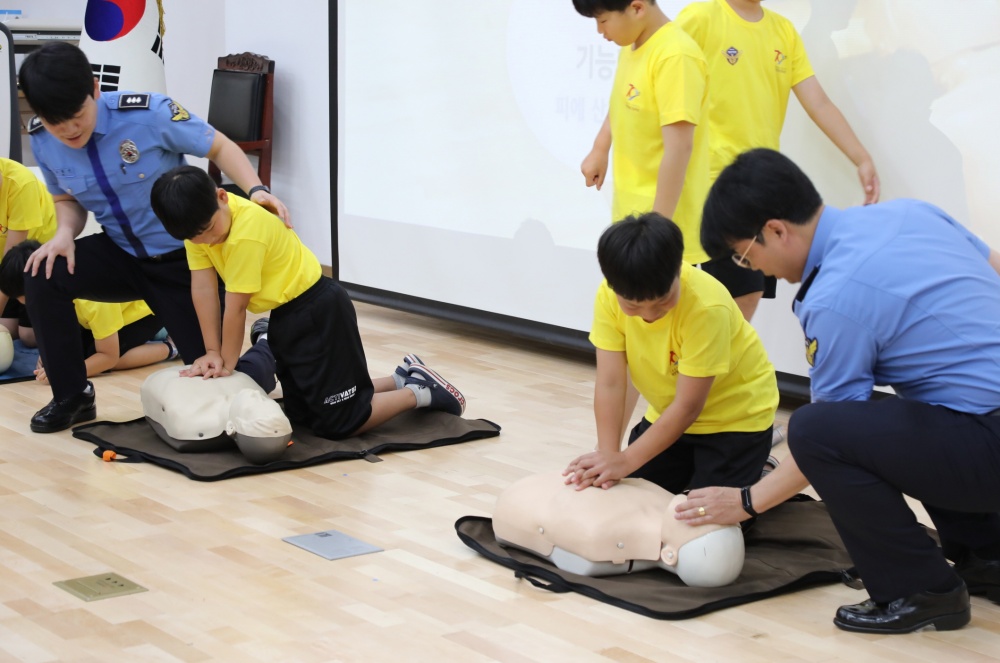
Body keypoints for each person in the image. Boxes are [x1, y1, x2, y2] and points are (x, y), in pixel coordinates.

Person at [680, 147, 1000, 633]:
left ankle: (920, 589)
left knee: (815, 429)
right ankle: (986, 554)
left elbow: (823, 435)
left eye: (747, 255)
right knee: (890, 411)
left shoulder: (833, 294)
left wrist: (747, 501)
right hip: (983, 430)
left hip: (989, 445)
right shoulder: (908, 212)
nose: (757, 271)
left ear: (776, 230)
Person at [17, 41, 291, 434]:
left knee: (221, 382)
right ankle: (72, 395)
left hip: (185, 263)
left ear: (95, 89)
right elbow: (65, 198)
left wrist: (257, 189)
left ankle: (265, 347)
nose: (69, 130)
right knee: (42, 272)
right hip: (121, 254)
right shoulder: (43, 138)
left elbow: (219, 145)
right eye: (56, 123)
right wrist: (64, 233)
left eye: (76, 116)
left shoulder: (148, 113)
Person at [149, 165, 467, 440]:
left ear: (221, 196)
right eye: (195, 239)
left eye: (208, 231)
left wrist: (226, 365)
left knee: (341, 421)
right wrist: (212, 352)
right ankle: (401, 378)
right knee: (301, 415)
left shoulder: (246, 232)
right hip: (285, 315)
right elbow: (203, 290)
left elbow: (236, 308)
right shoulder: (199, 226)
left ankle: (420, 392)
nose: (206, 241)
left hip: (318, 310)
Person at [674, 0, 880, 320]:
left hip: (759, 185)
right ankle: (697, 368)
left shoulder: (783, 31)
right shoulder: (701, 17)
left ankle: (714, 368)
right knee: (731, 293)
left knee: (746, 293)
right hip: (712, 184)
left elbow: (820, 103)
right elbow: (662, 78)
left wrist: (861, 157)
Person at [563, 213, 778, 497]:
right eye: (633, 306)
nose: (650, 315)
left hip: (735, 421)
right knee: (630, 500)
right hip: (668, 413)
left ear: (678, 268)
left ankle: (758, 468)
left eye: (663, 302)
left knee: (706, 528)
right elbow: (611, 382)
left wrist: (626, 460)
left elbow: (689, 406)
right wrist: (608, 454)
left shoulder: (706, 307)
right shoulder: (608, 296)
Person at [573, 0, 711, 267]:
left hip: (664, 227)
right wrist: (600, 148)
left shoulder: (675, 56)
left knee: (659, 308)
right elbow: (621, 102)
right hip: (634, 220)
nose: (600, 31)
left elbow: (679, 148)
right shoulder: (633, 44)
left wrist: (657, 232)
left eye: (602, 21)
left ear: (637, 8)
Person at [0, 241, 176, 383]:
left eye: (23, 298)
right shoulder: (55, 285)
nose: (23, 304)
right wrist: (47, 355)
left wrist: (66, 375)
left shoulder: (92, 299)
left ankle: (172, 347)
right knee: (76, 357)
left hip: (150, 311)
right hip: (106, 317)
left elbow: (108, 356)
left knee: (100, 361)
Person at [0, 157, 58, 346]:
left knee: (29, 337)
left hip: (31, 259)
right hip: (7, 264)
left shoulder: (21, 184)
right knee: (6, 328)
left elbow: (11, 260)